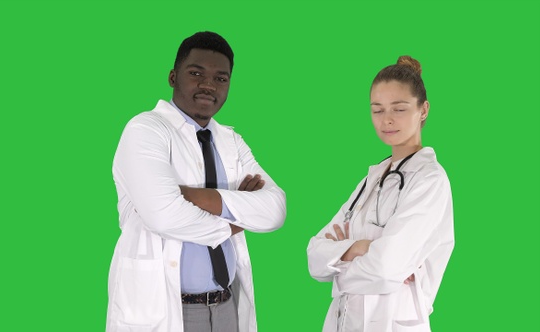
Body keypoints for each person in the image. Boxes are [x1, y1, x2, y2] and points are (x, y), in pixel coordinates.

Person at [106, 31, 286, 332]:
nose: (208, 85)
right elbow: (164, 215)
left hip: (226, 306)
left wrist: (193, 197)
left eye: (221, 78)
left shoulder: (232, 140)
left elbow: (275, 208)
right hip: (167, 308)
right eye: (196, 73)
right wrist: (235, 221)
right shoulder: (145, 130)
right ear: (173, 76)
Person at [307, 56, 454, 332]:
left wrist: (339, 262)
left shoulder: (430, 180)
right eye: (377, 110)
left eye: (399, 109)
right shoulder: (372, 180)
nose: (386, 120)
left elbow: (385, 269)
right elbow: (314, 256)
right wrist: (358, 249)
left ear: (423, 110)